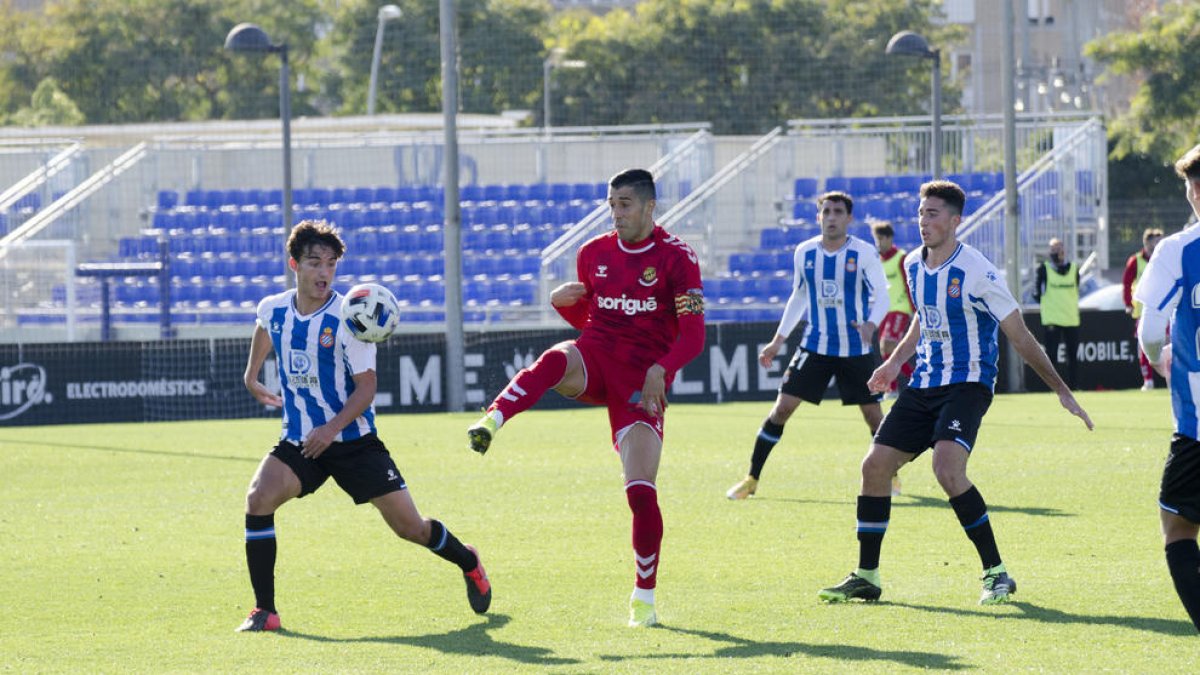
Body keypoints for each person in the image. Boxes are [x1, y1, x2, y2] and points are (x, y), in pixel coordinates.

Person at [817, 180, 1093, 606]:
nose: (923, 221)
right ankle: (867, 576)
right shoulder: (912, 264)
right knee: (874, 467)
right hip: (923, 383)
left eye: (932, 214)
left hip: (968, 384)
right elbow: (921, 321)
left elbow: (1019, 336)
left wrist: (1061, 390)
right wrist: (892, 365)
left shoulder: (979, 272)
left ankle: (997, 573)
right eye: (920, 213)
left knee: (947, 470)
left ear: (955, 220)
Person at [465, 168, 705, 628]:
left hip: (641, 381)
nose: (615, 213)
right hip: (596, 360)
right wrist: (563, 304)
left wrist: (663, 368)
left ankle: (643, 598)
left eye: (625, 204)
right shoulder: (592, 253)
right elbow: (591, 318)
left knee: (640, 492)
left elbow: (693, 336)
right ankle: (491, 421)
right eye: (611, 203)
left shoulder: (678, 258)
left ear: (650, 207)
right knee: (557, 358)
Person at [236, 220, 491, 632]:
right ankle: (265, 611)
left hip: (354, 441)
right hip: (302, 440)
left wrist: (331, 428)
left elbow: (366, 390)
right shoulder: (274, 306)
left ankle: (469, 560)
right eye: (315, 262)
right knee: (258, 499)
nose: (324, 272)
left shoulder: (352, 318)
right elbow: (265, 327)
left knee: (411, 528)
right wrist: (251, 375)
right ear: (293, 265)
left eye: (331, 264)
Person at [725, 191, 892, 501]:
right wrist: (777, 341)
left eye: (838, 212)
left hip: (855, 349)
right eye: (826, 211)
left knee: (873, 416)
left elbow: (883, 294)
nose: (831, 217)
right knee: (782, 409)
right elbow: (799, 296)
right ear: (818, 217)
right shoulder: (804, 252)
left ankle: (889, 473)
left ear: (848, 218)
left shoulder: (863, 253)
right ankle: (751, 478)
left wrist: (871, 323)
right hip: (815, 345)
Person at [1134, 143, 1200, 633]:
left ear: (1193, 190)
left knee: (1176, 523)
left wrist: (1158, 358)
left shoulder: (1178, 250)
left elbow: (1152, 329)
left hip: (1198, 425)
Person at [872, 222, 916, 398]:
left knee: (888, 343)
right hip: (885, 309)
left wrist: (914, 309)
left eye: (881, 238)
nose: (878, 243)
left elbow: (908, 284)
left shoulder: (901, 257)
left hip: (900, 307)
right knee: (885, 350)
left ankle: (913, 381)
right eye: (876, 239)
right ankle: (893, 388)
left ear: (889, 238)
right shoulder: (877, 261)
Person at [1033, 238, 1081, 388]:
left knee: (1073, 356)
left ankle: (1073, 387)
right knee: (1051, 356)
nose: (1057, 253)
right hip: (1052, 319)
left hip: (1071, 318)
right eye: (1053, 250)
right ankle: (1051, 387)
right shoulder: (1044, 269)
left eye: (1059, 249)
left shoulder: (1074, 269)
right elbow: (1037, 293)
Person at [1125, 227, 1165, 390]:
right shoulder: (1136, 260)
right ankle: (1148, 379)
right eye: (1155, 241)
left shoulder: (1164, 259)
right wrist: (1128, 303)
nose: (1158, 244)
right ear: (1147, 242)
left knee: (1168, 344)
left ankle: (1170, 376)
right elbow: (1127, 283)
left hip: (1164, 309)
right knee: (1144, 344)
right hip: (1143, 310)